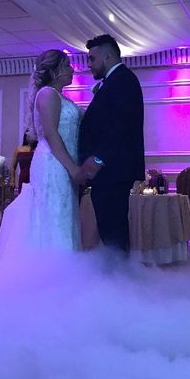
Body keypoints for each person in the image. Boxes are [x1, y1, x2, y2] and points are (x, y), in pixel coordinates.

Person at [0, 49, 82, 264]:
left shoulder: (59, 96)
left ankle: (65, 268)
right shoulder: (47, 94)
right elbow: (51, 134)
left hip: (61, 162)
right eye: (67, 65)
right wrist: (73, 168)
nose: (72, 69)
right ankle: (54, 269)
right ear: (55, 70)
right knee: (54, 215)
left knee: (63, 214)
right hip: (54, 163)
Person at [79, 34, 145, 253]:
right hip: (111, 171)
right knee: (111, 230)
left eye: (92, 59)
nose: (88, 64)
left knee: (113, 232)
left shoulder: (122, 81)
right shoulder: (115, 81)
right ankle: (119, 278)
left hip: (112, 171)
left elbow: (120, 127)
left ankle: (122, 281)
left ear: (107, 57)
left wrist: (98, 158)